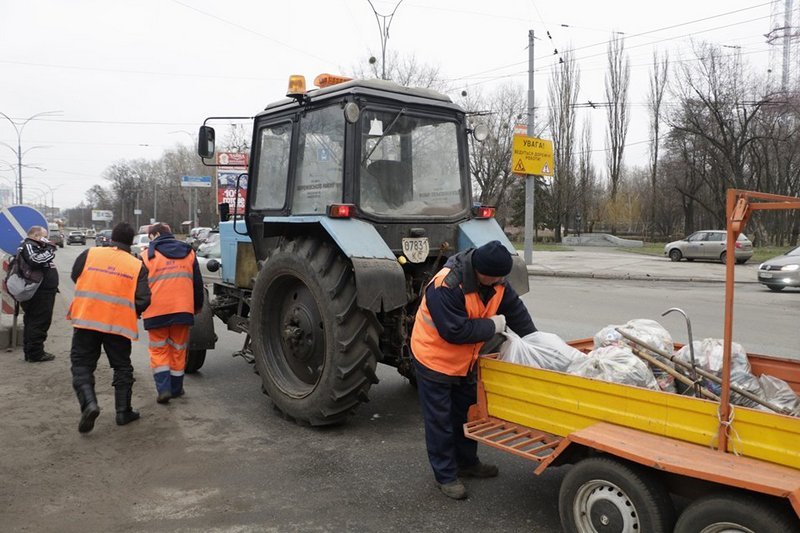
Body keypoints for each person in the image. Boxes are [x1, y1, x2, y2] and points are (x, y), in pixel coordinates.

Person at [410, 240, 537, 500]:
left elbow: (516, 312)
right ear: (482, 272)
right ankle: (445, 476)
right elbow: (454, 331)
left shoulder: (497, 281)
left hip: (466, 362)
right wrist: (493, 325)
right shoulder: (446, 285)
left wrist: (538, 343)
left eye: (503, 277)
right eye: (496, 277)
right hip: (434, 360)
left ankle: (467, 463)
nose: (501, 281)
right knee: (441, 422)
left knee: (467, 415)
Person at [68, 222, 151, 433]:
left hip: (86, 319)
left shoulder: (90, 253)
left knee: (82, 365)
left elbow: (75, 276)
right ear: (131, 241)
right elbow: (143, 299)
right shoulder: (136, 264)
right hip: (118, 324)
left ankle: (89, 404)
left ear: (112, 238)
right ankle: (123, 412)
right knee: (121, 366)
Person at [142, 223, 203, 404]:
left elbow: (140, 287)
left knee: (159, 350)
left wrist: (138, 307)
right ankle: (176, 389)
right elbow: (197, 284)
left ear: (157, 234)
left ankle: (164, 389)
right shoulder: (189, 253)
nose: (149, 240)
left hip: (156, 311)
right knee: (178, 350)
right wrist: (197, 306)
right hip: (182, 310)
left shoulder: (147, 256)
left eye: (150, 236)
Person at [18, 225, 59, 363]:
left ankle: (31, 351)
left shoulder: (35, 245)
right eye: (44, 236)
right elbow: (35, 260)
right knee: (38, 322)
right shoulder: (29, 245)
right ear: (35, 235)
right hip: (39, 292)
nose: (46, 239)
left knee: (34, 321)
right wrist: (49, 249)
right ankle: (35, 353)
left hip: (44, 291)